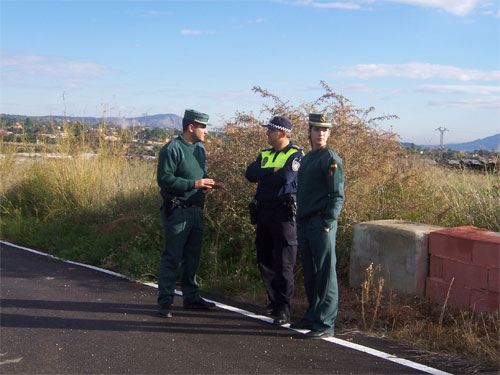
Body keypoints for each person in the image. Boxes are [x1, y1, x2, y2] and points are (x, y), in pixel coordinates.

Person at [156, 109, 222, 318]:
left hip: (196, 210)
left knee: (192, 258)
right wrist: (194, 184)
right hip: (177, 211)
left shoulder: (200, 149)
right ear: (191, 127)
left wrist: (208, 182)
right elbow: (164, 179)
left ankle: (191, 298)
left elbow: (199, 174)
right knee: (171, 258)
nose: (206, 131)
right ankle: (165, 303)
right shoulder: (172, 149)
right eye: (203, 126)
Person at [291, 113, 345, 339]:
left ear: (329, 133)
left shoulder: (330, 158)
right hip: (304, 222)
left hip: (320, 223)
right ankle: (312, 315)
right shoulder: (309, 157)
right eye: (317, 129)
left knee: (325, 274)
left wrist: (327, 223)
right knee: (311, 272)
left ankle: (325, 323)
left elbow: (337, 195)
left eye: (325, 130)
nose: (321, 133)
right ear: (309, 132)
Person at [245, 116, 303, 325]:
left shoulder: (295, 154)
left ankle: (284, 309)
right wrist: (270, 171)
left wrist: (266, 176)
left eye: (271, 130)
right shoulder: (266, 154)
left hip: (284, 213)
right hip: (264, 212)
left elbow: (286, 178)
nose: (267, 133)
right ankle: (273, 302)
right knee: (265, 259)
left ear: (282, 133)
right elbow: (250, 173)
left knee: (284, 262)